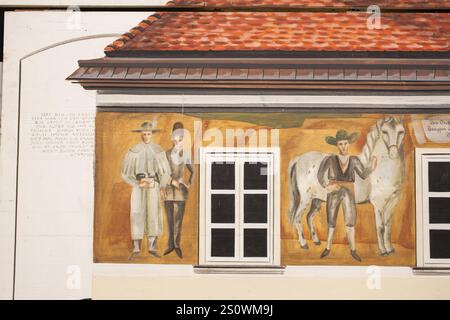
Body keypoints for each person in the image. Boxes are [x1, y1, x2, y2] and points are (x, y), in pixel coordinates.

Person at [317, 129, 377, 262]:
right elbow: (320, 175)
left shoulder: (354, 160)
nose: (343, 146)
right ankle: (327, 248)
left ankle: (353, 250)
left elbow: (363, 174)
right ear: (337, 145)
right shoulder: (330, 159)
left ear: (348, 144)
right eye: (340, 144)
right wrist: (327, 186)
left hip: (349, 192)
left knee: (350, 221)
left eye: (345, 143)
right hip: (333, 192)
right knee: (331, 221)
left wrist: (372, 167)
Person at [121, 121, 178, 260]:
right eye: (144, 134)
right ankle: (136, 247)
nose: (146, 136)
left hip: (153, 185)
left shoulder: (158, 150)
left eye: (148, 134)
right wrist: (136, 182)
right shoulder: (133, 150)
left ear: (152, 134)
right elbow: (125, 173)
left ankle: (152, 247)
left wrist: (163, 183)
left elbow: (164, 172)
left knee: (153, 213)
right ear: (140, 134)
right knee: (137, 213)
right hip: (138, 186)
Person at [162, 122, 194, 259]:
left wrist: (188, 184)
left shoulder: (185, 154)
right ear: (172, 137)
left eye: (180, 137)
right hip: (168, 191)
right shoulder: (166, 154)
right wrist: (170, 181)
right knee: (170, 220)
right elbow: (161, 173)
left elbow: (193, 171)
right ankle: (170, 245)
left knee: (178, 221)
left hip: (181, 192)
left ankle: (177, 245)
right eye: (176, 136)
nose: (178, 139)